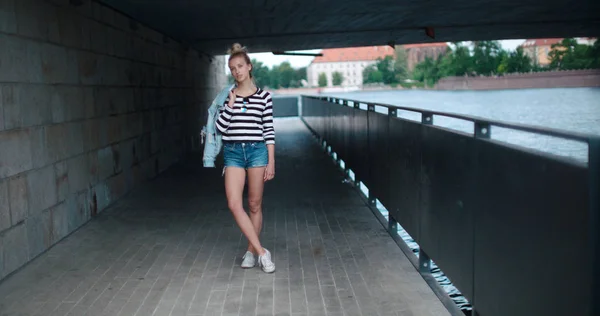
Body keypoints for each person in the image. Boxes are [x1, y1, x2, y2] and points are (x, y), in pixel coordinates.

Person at [216, 43, 276, 273]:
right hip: (233, 153)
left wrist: (271, 160)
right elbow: (221, 127)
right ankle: (262, 252)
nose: (237, 71)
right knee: (233, 203)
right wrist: (230, 105)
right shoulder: (227, 96)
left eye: (240, 66)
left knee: (254, 204)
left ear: (249, 67)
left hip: (257, 152)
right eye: (232, 68)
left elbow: (268, 130)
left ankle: (251, 251)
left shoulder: (265, 97)